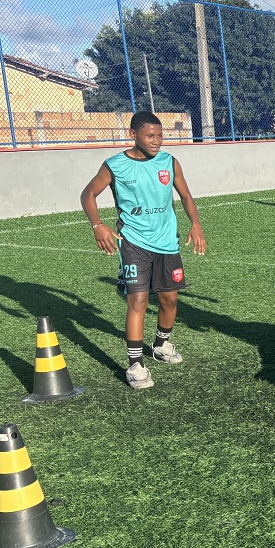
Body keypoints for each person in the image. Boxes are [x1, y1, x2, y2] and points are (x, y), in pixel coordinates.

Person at [80, 111, 206, 390]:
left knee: (169, 300)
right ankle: (136, 364)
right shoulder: (115, 165)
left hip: (167, 243)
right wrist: (97, 225)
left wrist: (196, 224)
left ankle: (161, 345)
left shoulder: (169, 162)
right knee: (138, 301)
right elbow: (88, 194)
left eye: (160, 136)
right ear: (133, 134)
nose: (156, 141)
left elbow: (186, 195)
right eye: (150, 136)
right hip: (134, 243)